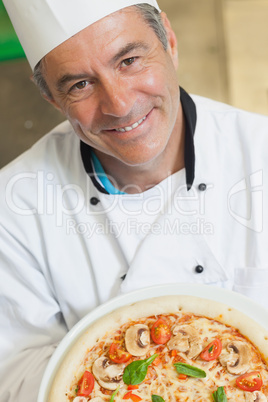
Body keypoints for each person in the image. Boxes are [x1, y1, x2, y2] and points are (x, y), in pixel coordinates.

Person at [1, 0, 268, 400]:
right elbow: (13, 371)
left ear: (170, 40)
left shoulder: (260, 151)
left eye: (128, 60)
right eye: (80, 84)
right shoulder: (13, 205)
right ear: (53, 100)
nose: (121, 105)